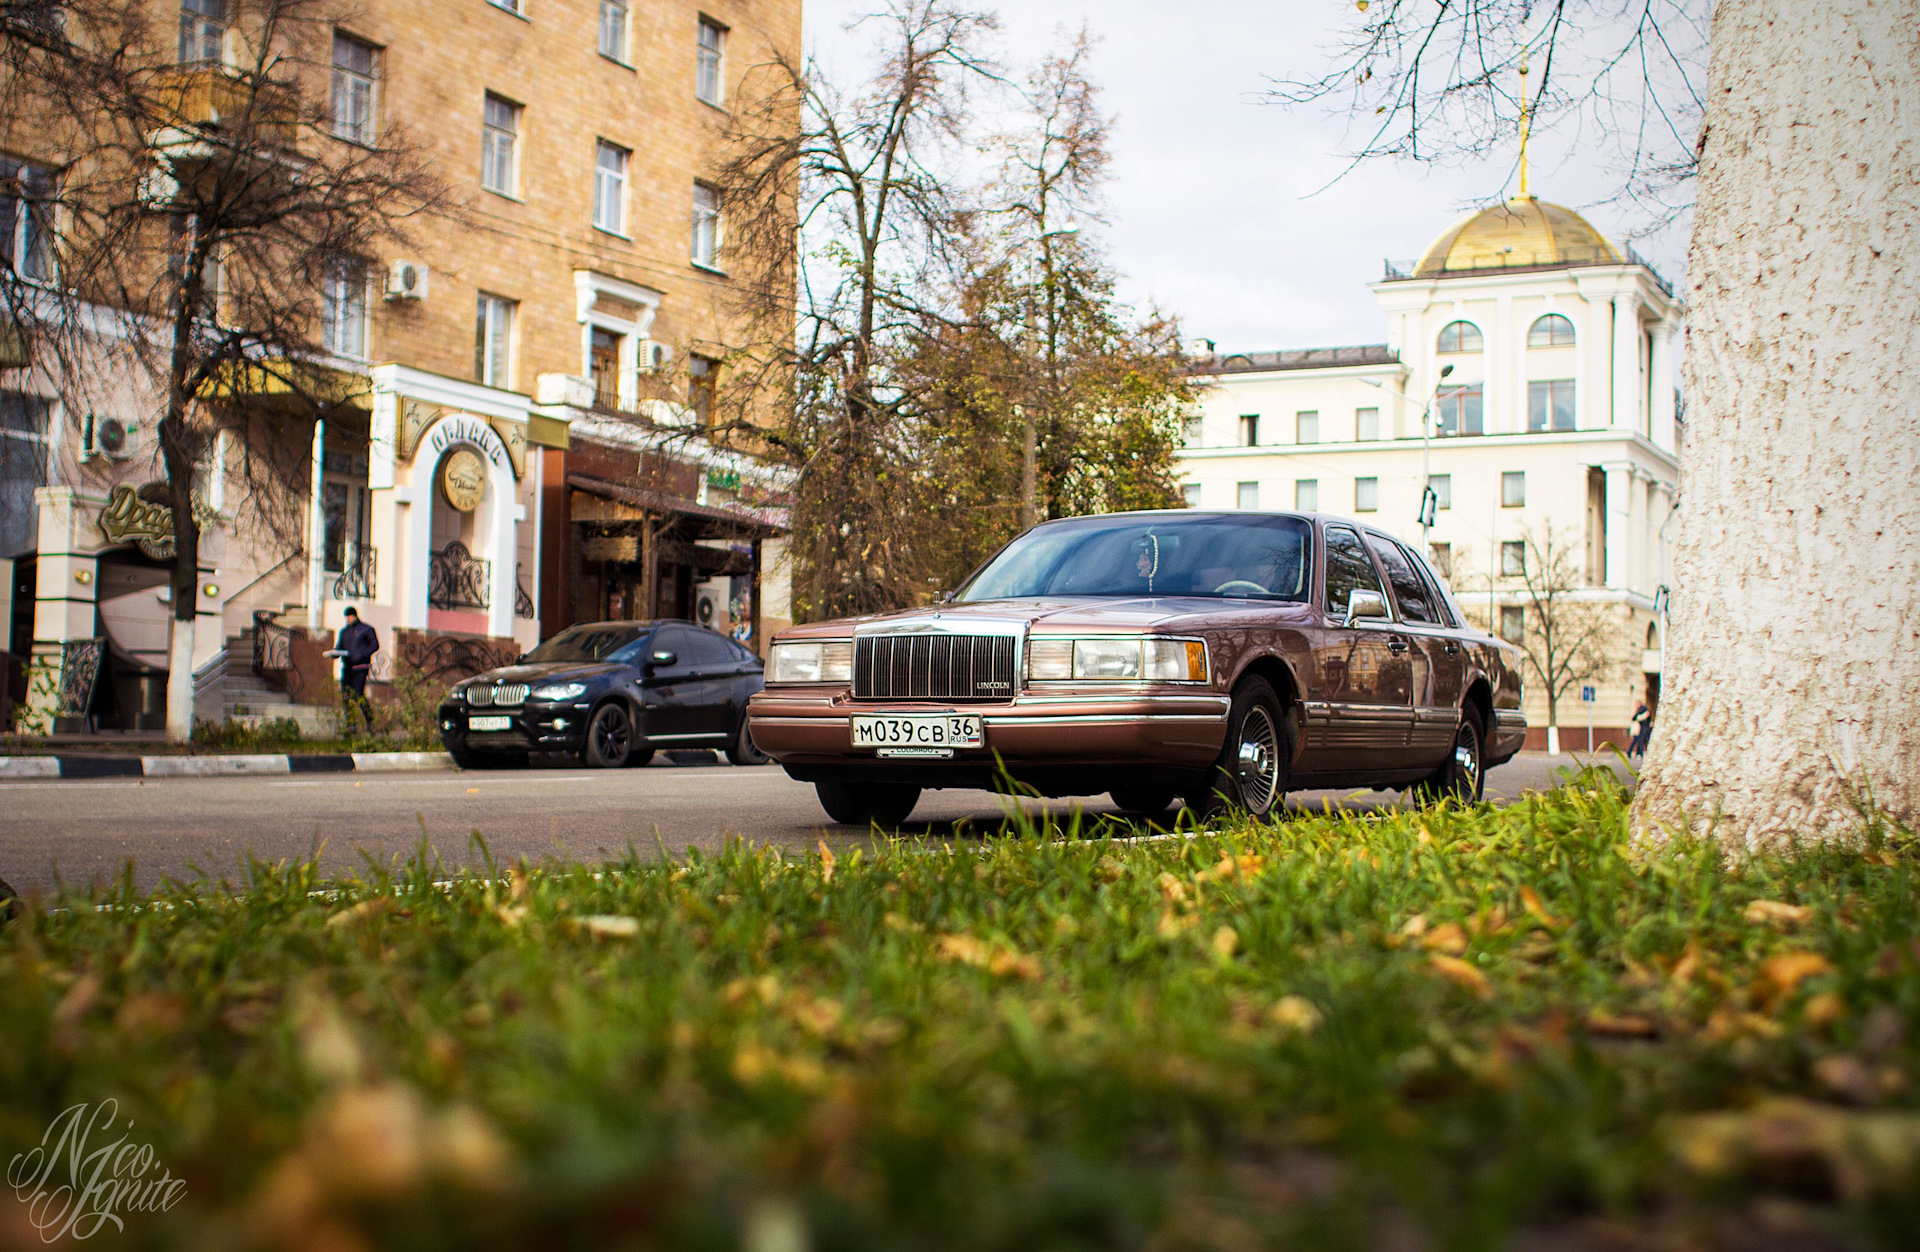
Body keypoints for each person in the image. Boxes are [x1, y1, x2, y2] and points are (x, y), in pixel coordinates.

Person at [337, 607, 380, 731]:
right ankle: (350, 724)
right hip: (347, 667)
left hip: (360, 667)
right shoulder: (344, 632)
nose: (347, 619)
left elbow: (374, 645)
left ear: (354, 616)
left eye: (349, 617)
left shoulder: (366, 629)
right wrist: (335, 653)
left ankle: (370, 721)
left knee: (358, 694)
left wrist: (362, 654)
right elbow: (340, 646)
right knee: (346, 695)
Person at [1628, 682, 1656, 759]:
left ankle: (1638, 753)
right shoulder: (1643, 709)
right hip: (1642, 727)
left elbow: (1635, 718)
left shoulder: (1641, 709)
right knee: (1642, 740)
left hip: (1643, 727)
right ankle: (1639, 753)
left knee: (1641, 740)